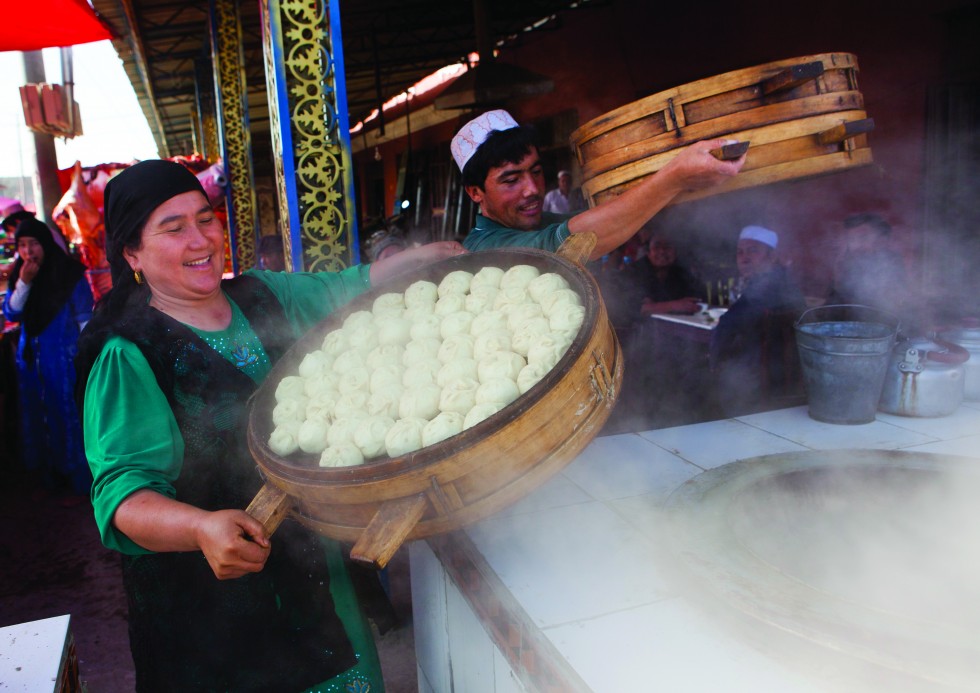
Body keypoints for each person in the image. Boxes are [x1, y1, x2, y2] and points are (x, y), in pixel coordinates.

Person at [74, 160, 465, 692]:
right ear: (132, 254)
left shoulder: (261, 295)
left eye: (206, 218)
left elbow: (341, 289)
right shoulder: (131, 352)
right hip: (221, 615)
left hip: (318, 571)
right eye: (174, 228)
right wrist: (200, 527)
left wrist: (420, 258)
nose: (201, 239)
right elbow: (122, 495)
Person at [452, 109, 744, 259]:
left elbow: (601, 222)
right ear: (475, 191)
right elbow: (572, 242)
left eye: (537, 171)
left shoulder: (538, 221)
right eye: (512, 180)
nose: (532, 189)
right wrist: (674, 178)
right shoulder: (482, 249)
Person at [3, 217, 94, 498]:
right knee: (39, 415)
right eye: (22, 245)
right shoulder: (22, 275)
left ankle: (78, 479)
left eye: (34, 244)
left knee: (68, 416)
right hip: (32, 364)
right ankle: (51, 476)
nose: (28, 252)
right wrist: (24, 284)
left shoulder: (69, 274)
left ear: (45, 244)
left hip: (64, 362)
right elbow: (12, 313)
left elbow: (85, 320)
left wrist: (87, 358)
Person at [710, 225, 806, 416]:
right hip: (786, 378)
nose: (744, 258)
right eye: (740, 252)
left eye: (753, 250)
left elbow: (727, 326)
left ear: (772, 256)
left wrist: (714, 364)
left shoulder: (767, 287)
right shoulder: (780, 281)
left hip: (760, 382)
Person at [827, 212, 914, 323]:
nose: (856, 246)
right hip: (848, 333)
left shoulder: (893, 262)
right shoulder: (847, 263)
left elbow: (901, 308)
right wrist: (837, 279)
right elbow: (832, 313)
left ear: (882, 240)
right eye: (851, 239)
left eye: (863, 238)